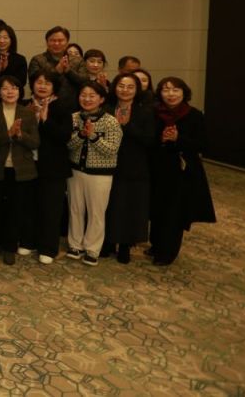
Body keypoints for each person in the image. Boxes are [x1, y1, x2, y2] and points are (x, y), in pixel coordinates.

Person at [149, 77, 216, 266]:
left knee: (174, 213)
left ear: (184, 92)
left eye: (175, 90)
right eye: (166, 90)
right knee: (157, 209)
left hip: (182, 171)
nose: (171, 94)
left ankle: (167, 252)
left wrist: (178, 139)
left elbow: (203, 145)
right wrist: (161, 139)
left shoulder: (194, 115)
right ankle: (156, 245)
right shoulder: (154, 113)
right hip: (158, 168)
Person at [65, 82, 122, 266]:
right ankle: (75, 245)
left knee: (96, 212)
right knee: (75, 209)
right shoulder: (73, 118)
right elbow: (67, 145)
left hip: (100, 174)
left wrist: (93, 136)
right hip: (75, 170)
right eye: (83, 95)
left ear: (101, 99)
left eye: (92, 96)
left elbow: (111, 150)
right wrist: (82, 135)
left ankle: (92, 249)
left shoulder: (111, 121)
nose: (87, 99)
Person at [0, 75, 40, 265]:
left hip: (21, 170)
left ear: (20, 92)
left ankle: (10, 247)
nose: (10, 92)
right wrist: (8, 135)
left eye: (14, 88)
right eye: (5, 88)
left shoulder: (27, 113)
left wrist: (19, 135)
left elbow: (35, 142)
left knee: (15, 210)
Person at [101, 73, 154, 264]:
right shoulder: (106, 108)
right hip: (108, 163)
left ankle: (125, 245)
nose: (125, 90)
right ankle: (107, 242)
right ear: (114, 87)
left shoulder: (145, 111)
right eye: (121, 86)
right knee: (109, 205)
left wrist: (126, 126)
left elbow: (149, 139)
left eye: (130, 87)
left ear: (137, 90)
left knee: (130, 206)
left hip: (134, 165)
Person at [27, 71, 74, 264]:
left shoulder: (62, 107)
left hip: (53, 166)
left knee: (51, 208)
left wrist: (46, 120)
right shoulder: (25, 105)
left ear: (54, 87)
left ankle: (48, 248)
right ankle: (29, 241)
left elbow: (65, 136)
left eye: (47, 83)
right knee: (30, 205)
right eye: (39, 82)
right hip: (29, 164)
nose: (42, 86)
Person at [28, 26, 89, 106]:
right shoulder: (38, 60)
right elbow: (33, 84)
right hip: (43, 106)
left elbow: (85, 83)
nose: (56, 43)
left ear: (67, 42)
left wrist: (69, 71)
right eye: (53, 40)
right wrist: (56, 71)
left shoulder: (78, 61)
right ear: (47, 42)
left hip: (72, 106)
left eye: (60, 40)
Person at [0, 24, 27, 102]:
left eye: (5, 38)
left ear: (11, 40)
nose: (2, 41)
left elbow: (21, 82)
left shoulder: (20, 59)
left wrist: (6, 70)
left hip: (12, 99)